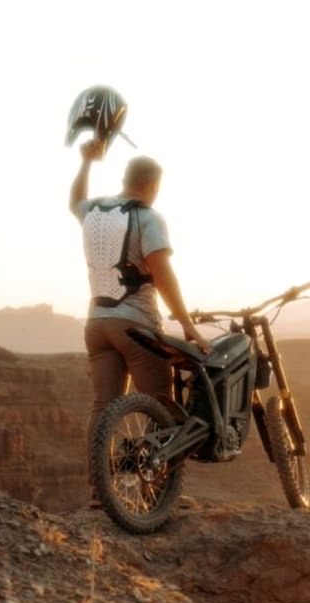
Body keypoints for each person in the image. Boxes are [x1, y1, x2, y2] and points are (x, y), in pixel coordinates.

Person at [69, 140, 209, 480]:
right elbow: (161, 273)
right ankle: (158, 491)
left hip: (97, 325)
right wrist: (187, 324)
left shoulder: (96, 212)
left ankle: (98, 492)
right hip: (136, 327)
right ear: (152, 185)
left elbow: (74, 201)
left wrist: (86, 162)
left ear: (126, 178)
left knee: (104, 408)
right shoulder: (147, 217)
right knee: (158, 406)